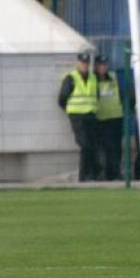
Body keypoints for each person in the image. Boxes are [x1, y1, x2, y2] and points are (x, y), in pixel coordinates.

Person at [57, 52, 100, 182]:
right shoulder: (71, 78)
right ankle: (84, 175)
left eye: (86, 63)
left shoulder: (93, 77)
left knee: (92, 145)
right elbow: (62, 98)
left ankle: (92, 174)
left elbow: (96, 96)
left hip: (91, 115)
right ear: (78, 63)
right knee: (85, 145)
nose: (84, 66)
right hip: (77, 117)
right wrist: (70, 111)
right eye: (82, 63)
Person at [93, 55, 123, 181]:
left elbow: (121, 94)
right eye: (100, 65)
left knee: (116, 147)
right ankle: (104, 173)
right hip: (101, 119)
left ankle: (115, 173)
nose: (103, 67)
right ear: (95, 66)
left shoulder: (113, 77)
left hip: (116, 117)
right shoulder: (92, 80)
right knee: (104, 148)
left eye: (105, 64)